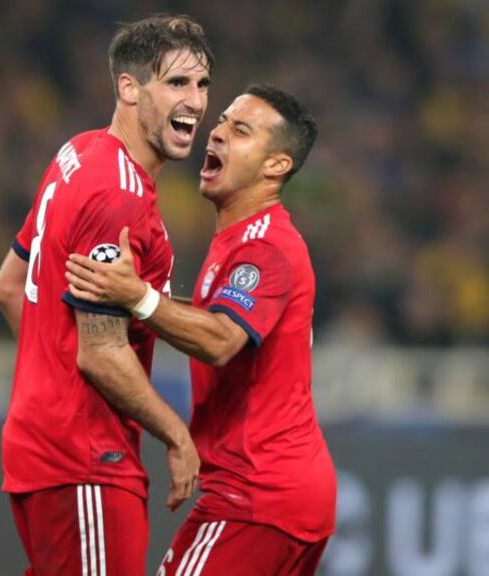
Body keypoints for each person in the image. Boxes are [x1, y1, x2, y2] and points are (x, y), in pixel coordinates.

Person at [64, 85, 335, 575]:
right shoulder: (242, 238)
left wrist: (137, 297)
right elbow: (216, 319)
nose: (218, 132)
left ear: (276, 165)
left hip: (256, 492)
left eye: (241, 130)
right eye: (224, 121)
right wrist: (136, 299)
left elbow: (220, 339)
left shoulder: (265, 246)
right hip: (280, 493)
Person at [0, 15, 213, 575]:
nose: (195, 101)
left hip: (42, 448)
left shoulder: (80, 153)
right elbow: (101, 351)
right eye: (177, 83)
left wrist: (50, 380)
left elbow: (9, 287)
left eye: (202, 84)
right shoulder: (118, 196)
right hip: (85, 457)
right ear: (129, 88)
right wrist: (177, 434)